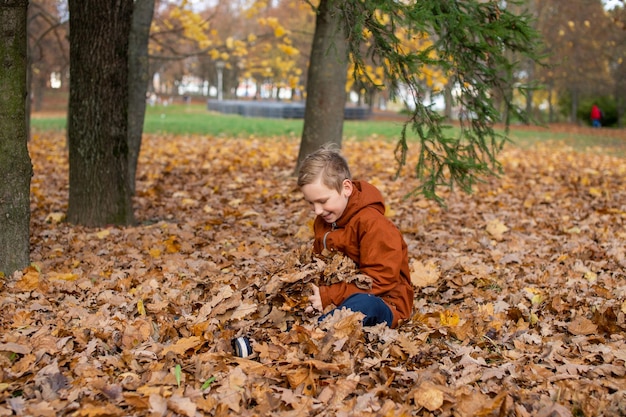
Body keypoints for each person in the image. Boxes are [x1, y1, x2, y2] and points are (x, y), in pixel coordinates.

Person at [297, 145, 414, 328]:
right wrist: (317, 292)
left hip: (384, 302)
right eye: (311, 203)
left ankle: (305, 334)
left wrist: (329, 296)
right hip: (340, 294)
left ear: (346, 188)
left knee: (364, 304)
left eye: (322, 201)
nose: (317, 210)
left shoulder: (374, 225)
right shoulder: (325, 219)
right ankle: (273, 335)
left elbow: (381, 280)